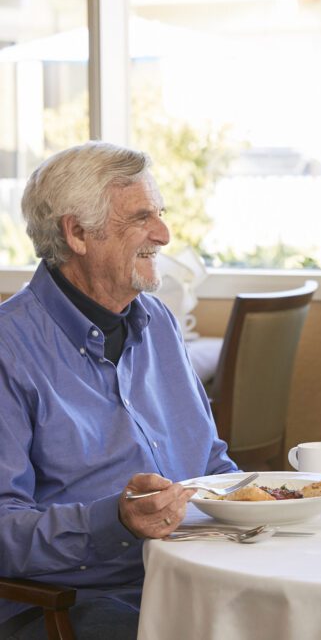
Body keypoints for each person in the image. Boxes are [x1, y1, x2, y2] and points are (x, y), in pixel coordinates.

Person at [0, 142, 237, 640]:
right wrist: (115, 520)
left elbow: (210, 463)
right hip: (74, 606)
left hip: (192, 578)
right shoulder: (9, 349)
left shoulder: (159, 322)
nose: (164, 235)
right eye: (141, 218)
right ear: (77, 233)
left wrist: (262, 500)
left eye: (161, 214)